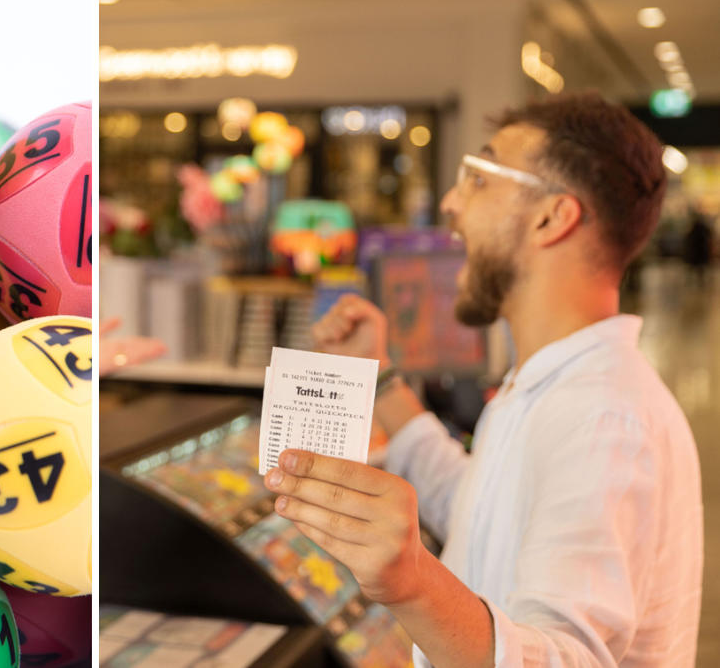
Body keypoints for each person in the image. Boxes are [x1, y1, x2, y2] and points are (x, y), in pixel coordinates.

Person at [263, 92, 702, 667]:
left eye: (478, 178)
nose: (450, 203)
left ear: (552, 216)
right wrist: (382, 379)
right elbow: (478, 507)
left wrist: (411, 582)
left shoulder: (604, 417)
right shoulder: (546, 381)